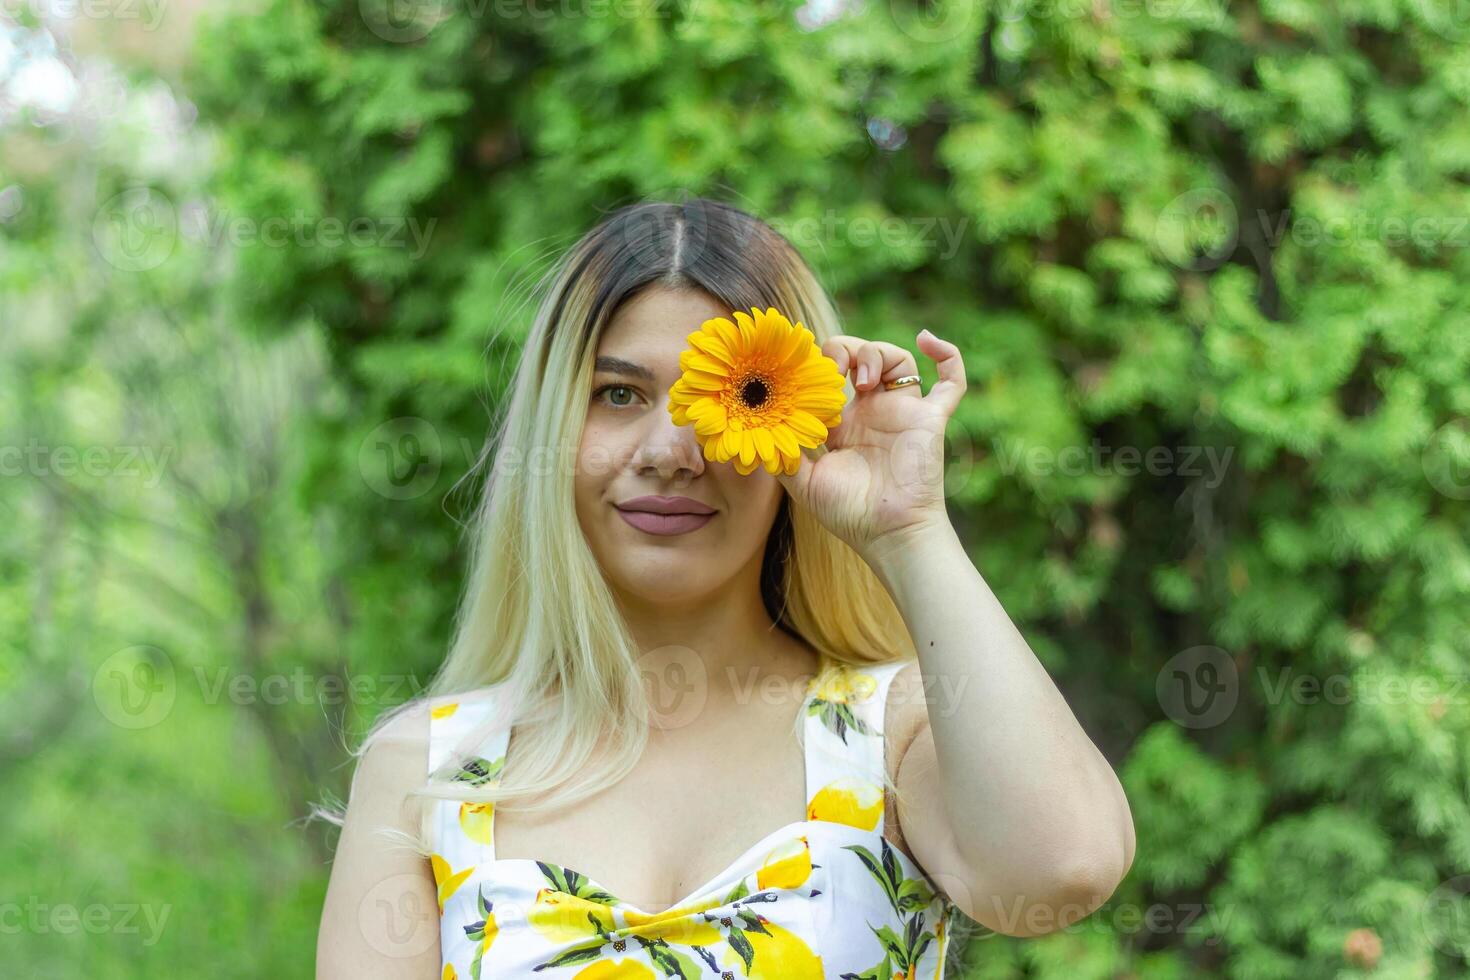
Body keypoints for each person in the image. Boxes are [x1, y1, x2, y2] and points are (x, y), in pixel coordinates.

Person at [316, 198, 1135, 978]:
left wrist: (909, 529)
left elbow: (1064, 870)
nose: (670, 449)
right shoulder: (427, 769)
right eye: (618, 394)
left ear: (795, 425)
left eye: (720, 398)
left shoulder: (896, 734)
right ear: (552, 429)